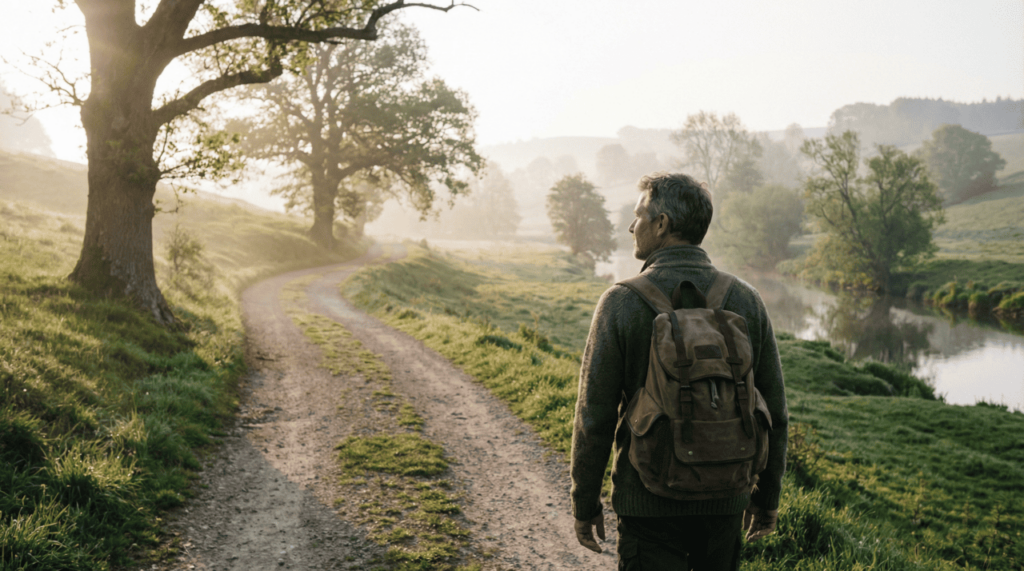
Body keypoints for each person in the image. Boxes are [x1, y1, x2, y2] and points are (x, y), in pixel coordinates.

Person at [570, 172, 788, 570]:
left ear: (662, 224)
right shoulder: (746, 299)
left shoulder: (620, 302)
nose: (632, 226)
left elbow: (594, 417)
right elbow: (774, 409)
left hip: (649, 502)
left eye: (638, 216)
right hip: (726, 500)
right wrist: (766, 498)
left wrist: (584, 503)